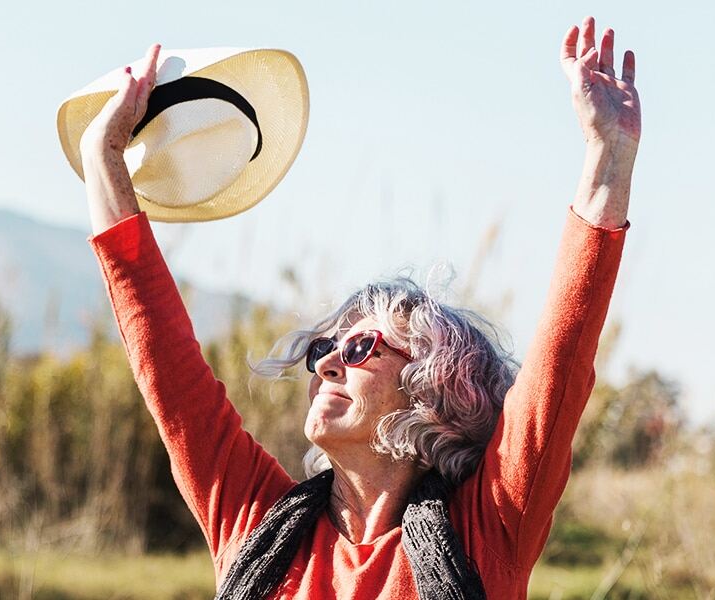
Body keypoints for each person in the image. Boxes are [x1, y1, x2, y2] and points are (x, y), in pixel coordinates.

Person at [80, 15, 639, 599]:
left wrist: (609, 153)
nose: (324, 364)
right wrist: (105, 158)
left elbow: (560, 366)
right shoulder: (256, 525)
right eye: (324, 350)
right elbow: (170, 377)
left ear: (432, 387)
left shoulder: (488, 528)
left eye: (359, 347)